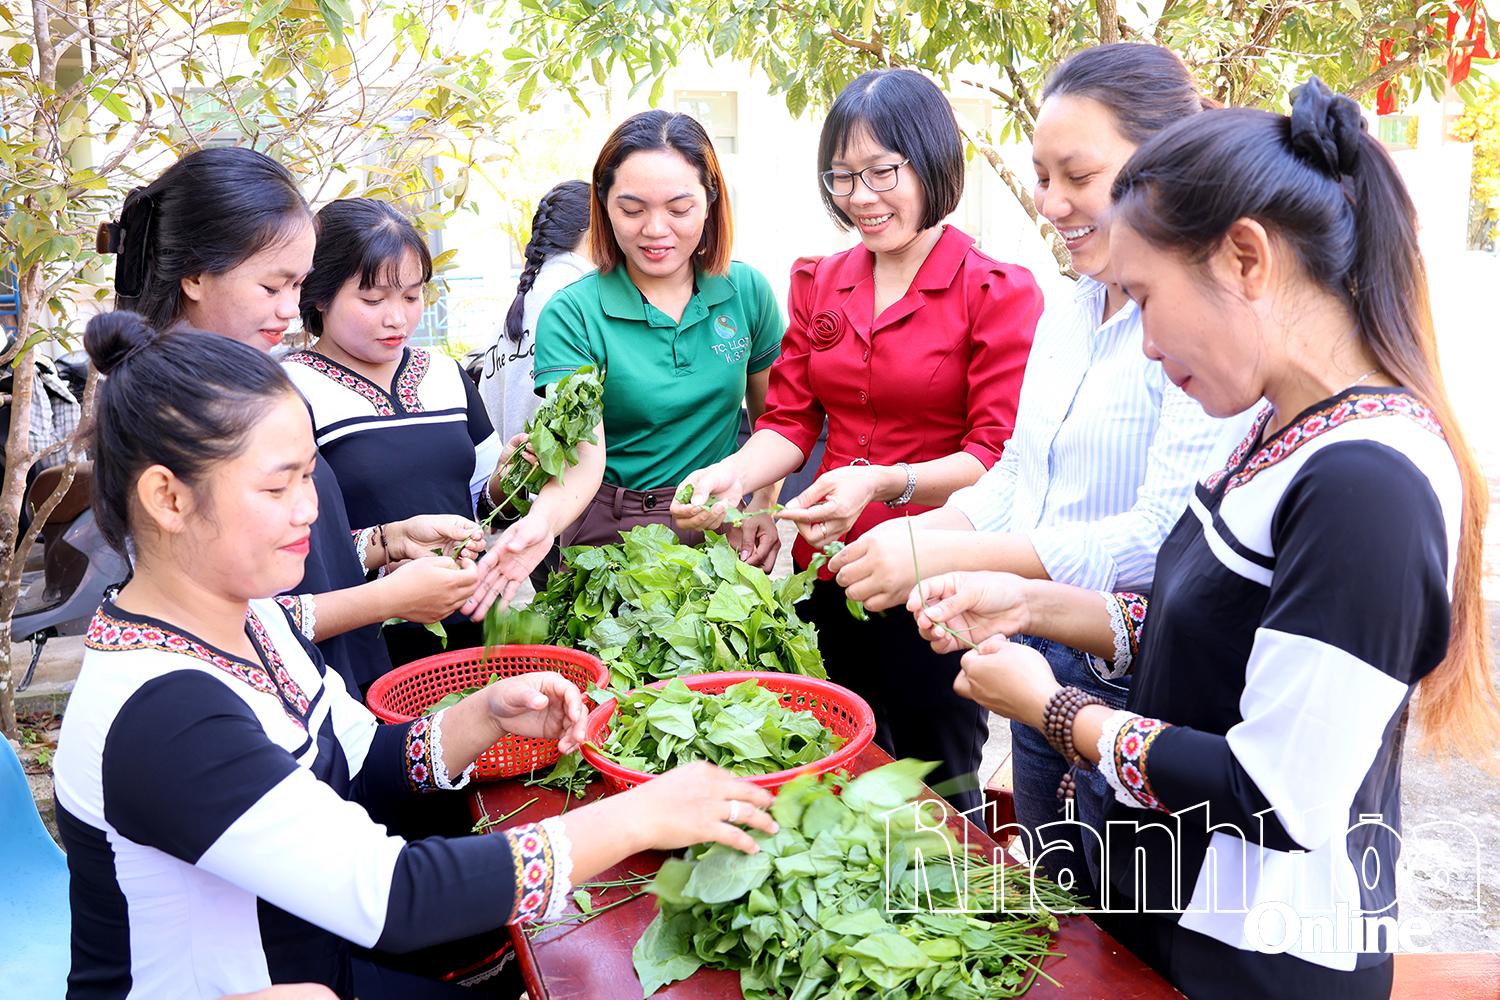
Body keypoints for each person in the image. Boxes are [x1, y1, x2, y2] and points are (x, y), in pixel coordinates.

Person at [909, 77, 1498, 997]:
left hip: (1256, 953)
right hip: (1172, 901)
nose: (1142, 343)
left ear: (1246, 260)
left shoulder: (1365, 483)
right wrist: (1032, 605)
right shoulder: (1278, 428)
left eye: (1144, 297)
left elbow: (1278, 795)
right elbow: (1215, 628)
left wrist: (1056, 712)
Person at [53, 311, 782, 1000]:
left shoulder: (253, 623)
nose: (310, 509)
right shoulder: (166, 711)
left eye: (312, 475)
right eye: (279, 485)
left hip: (316, 963)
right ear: (168, 499)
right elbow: (395, 896)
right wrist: (639, 818)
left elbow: (361, 761)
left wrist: (484, 714)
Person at [817, 45, 1242, 880]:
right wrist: (928, 534)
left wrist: (951, 553)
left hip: (1135, 678)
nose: (1051, 203)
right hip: (1039, 653)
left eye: (1076, 176)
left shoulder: (1199, 329)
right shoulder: (1074, 308)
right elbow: (1017, 473)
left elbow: (1161, 539)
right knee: (1054, 895)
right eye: (1041, 177)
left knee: (1127, 911)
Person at [674, 69, 1043, 813]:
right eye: (842, 177)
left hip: (935, 578)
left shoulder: (996, 290)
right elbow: (791, 419)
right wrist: (735, 476)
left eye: (883, 173)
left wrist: (880, 481)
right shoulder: (820, 281)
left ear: (935, 163)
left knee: (938, 786)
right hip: (830, 573)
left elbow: (992, 458)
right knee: (834, 775)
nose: (861, 197)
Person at [97, 147, 485, 695]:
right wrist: (387, 599)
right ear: (195, 277)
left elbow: (291, 556)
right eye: (271, 287)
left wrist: (389, 540)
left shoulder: (246, 379)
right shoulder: (168, 410)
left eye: (297, 286)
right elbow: (226, 627)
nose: (289, 309)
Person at [478, 110, 786, 609]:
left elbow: (778, 420)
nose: (655, 230)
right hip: (607, 533)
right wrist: (538, 525)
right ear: (603, 205)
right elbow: (583, 458)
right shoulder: (573, 312)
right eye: (632, 209)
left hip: (714, 527)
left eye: (679, 208)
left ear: (710, 201)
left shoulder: (745, 291)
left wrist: (763, 506)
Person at [289, 197, 508, 664]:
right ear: (319, 295)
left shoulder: (446, 375)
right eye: (373, 300)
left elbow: (480, 504)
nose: (398, 318)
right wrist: (386, 546)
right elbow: (296, 544)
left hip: (468, 626)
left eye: (412, 296)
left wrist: (509, 483)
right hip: (359, 640)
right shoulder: (288, 391)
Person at [475, 180, 593, 439]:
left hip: (508, 473)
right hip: (568, 476)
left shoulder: (517, 309)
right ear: (593, 231)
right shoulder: (578, 304)